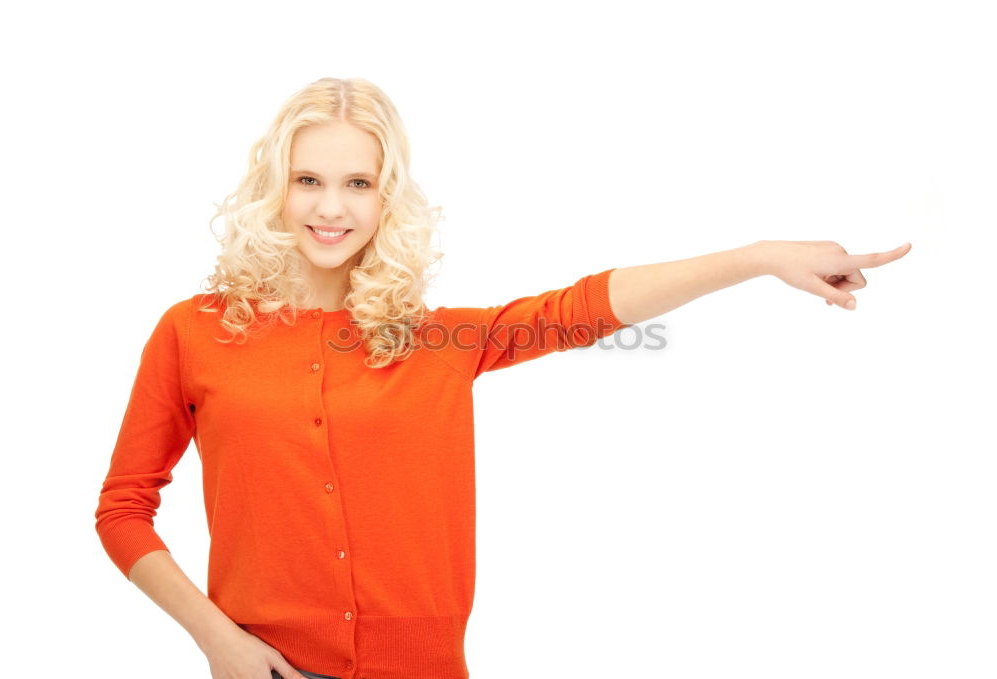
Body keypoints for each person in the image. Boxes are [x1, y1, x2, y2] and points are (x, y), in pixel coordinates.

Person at [94, 76, 912, 679]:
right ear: (276, 189)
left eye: (357, 182)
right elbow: (123, 509)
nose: (329, 207)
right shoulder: (194, 331)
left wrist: (758, 258)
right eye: (308, 179)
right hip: (259, 668)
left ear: (387, 200)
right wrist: (216, 637)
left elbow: (586, 306)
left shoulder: (440, 340)